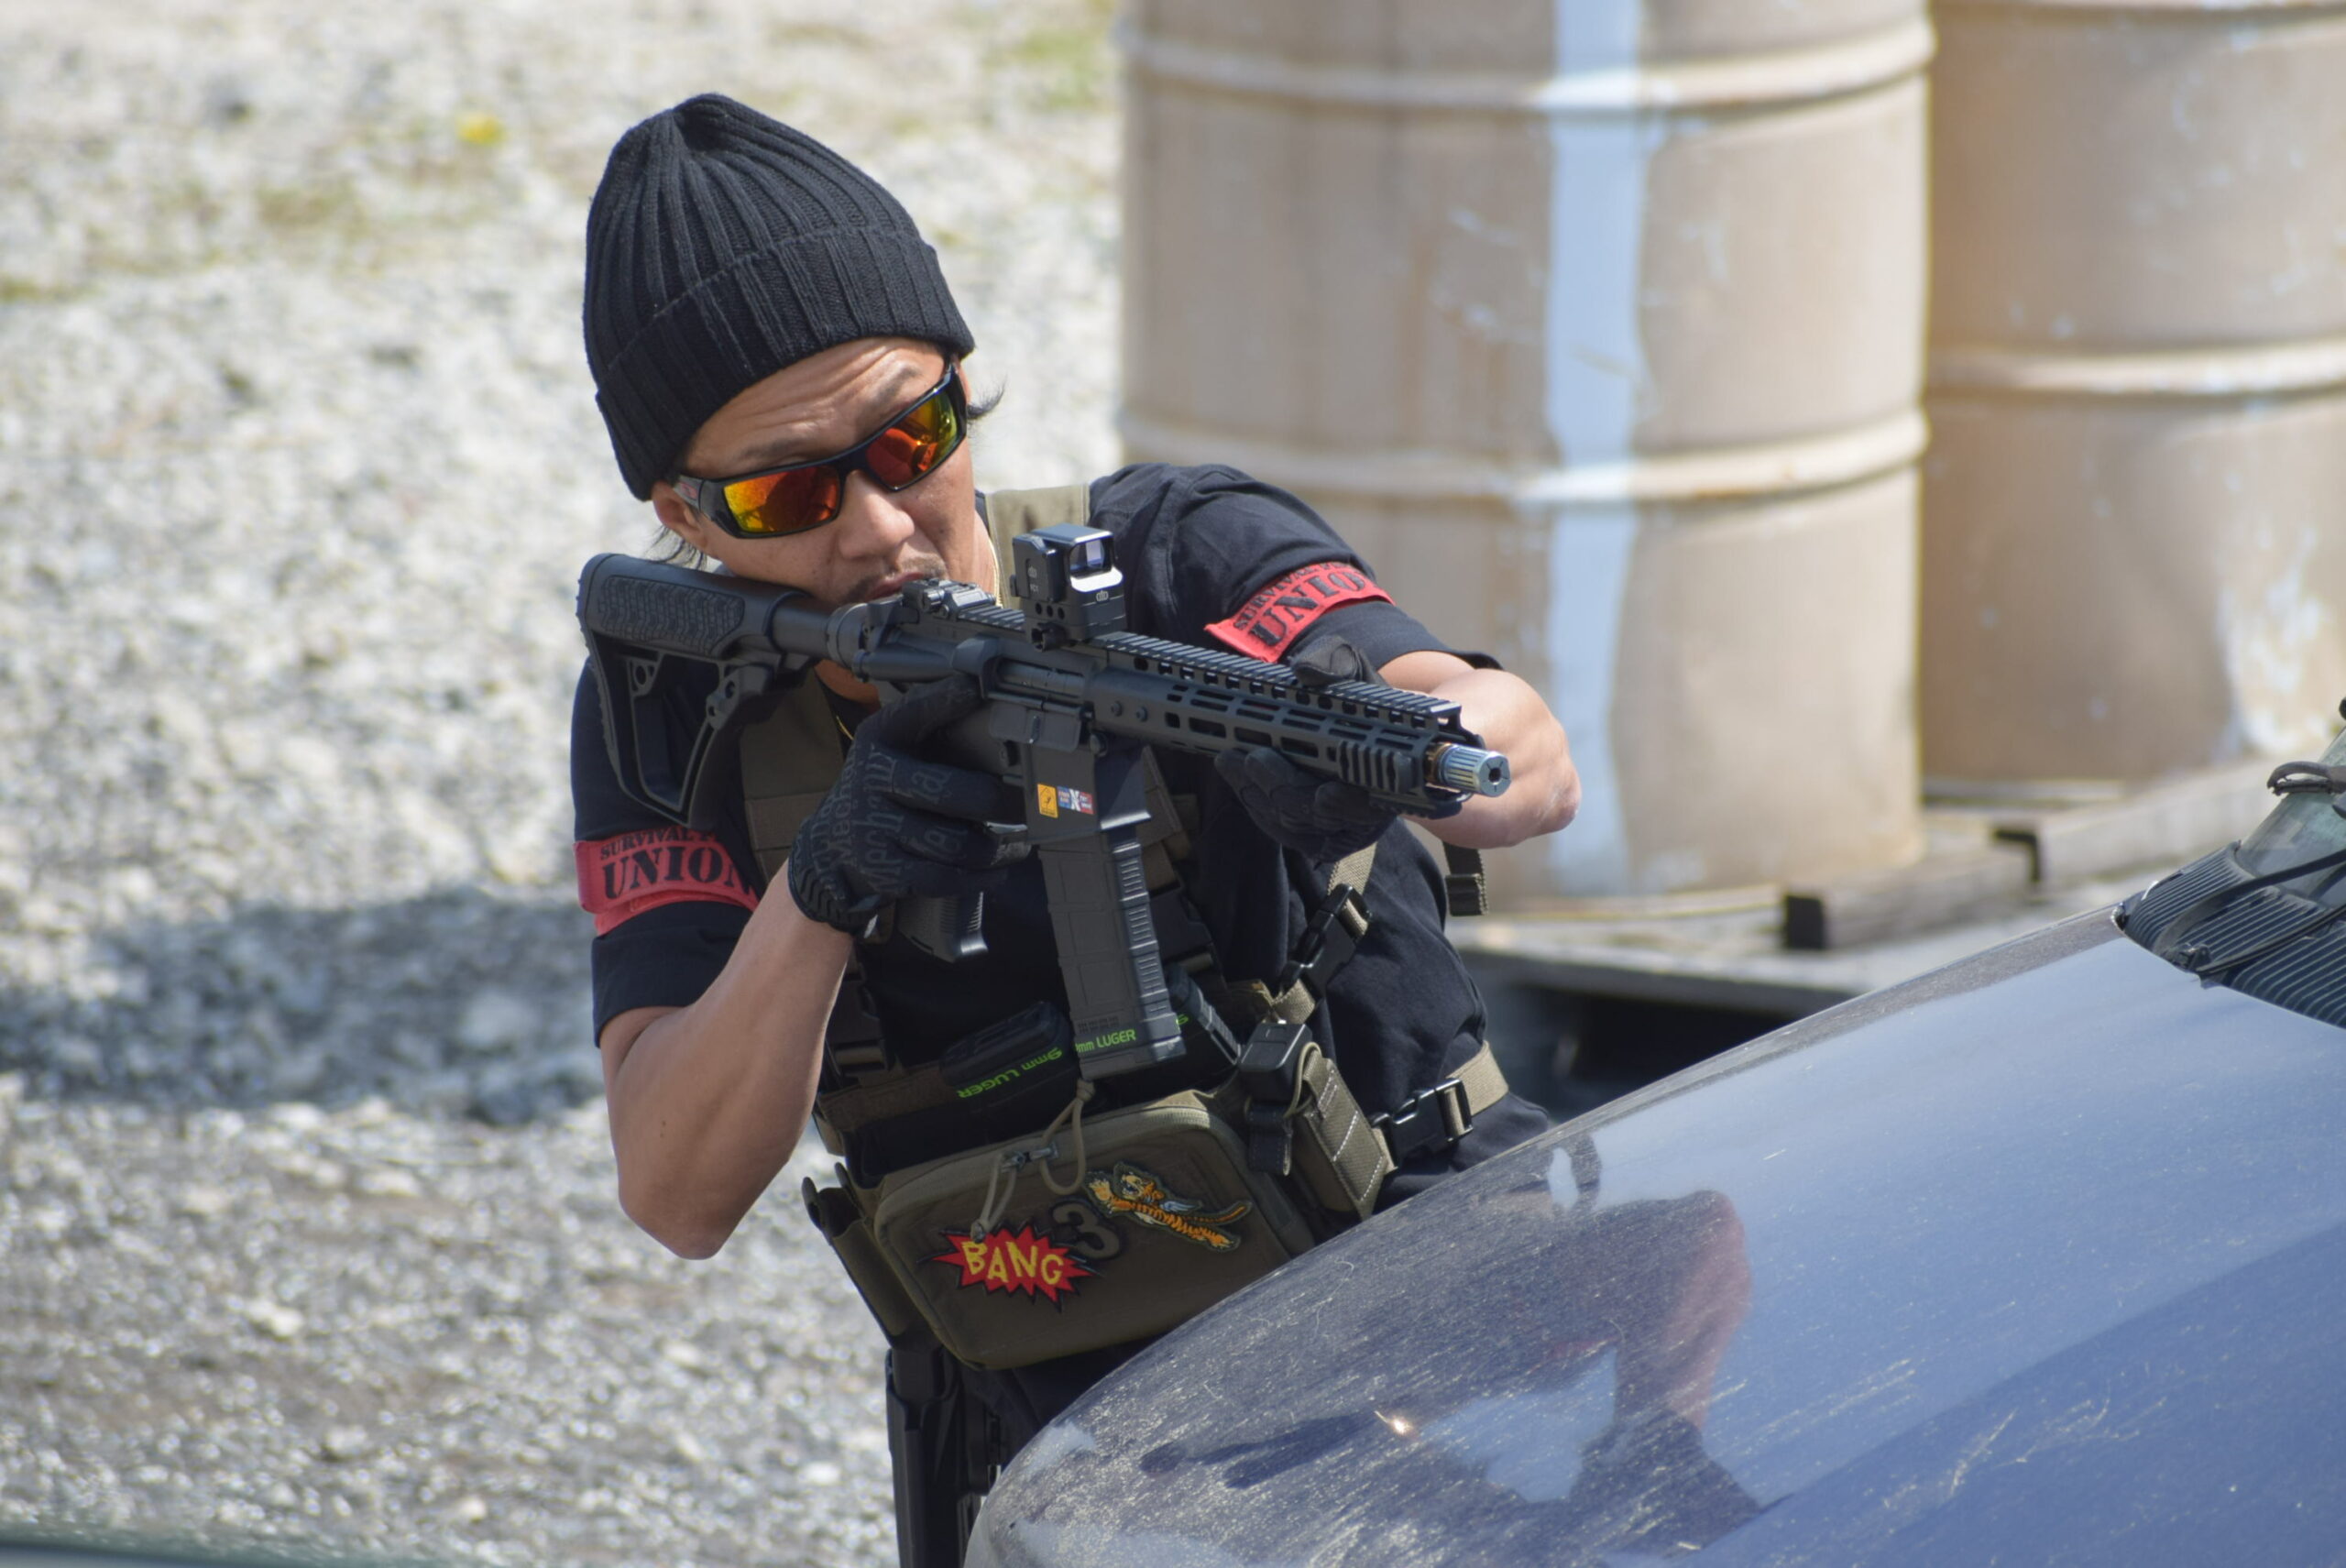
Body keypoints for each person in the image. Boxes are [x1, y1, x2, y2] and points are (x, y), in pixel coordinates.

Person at [570, 93, 1581, 1558]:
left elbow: (1522, 753)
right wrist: (820, 894)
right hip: (1063, 1406)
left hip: (1434, 1282)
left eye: (911, 438)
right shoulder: (683, 703)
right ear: (682, 513)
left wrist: (1404, 753)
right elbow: (676, 1189)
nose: (878, 526)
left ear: (964, 388)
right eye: (787, 491)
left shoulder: (1179, 553)